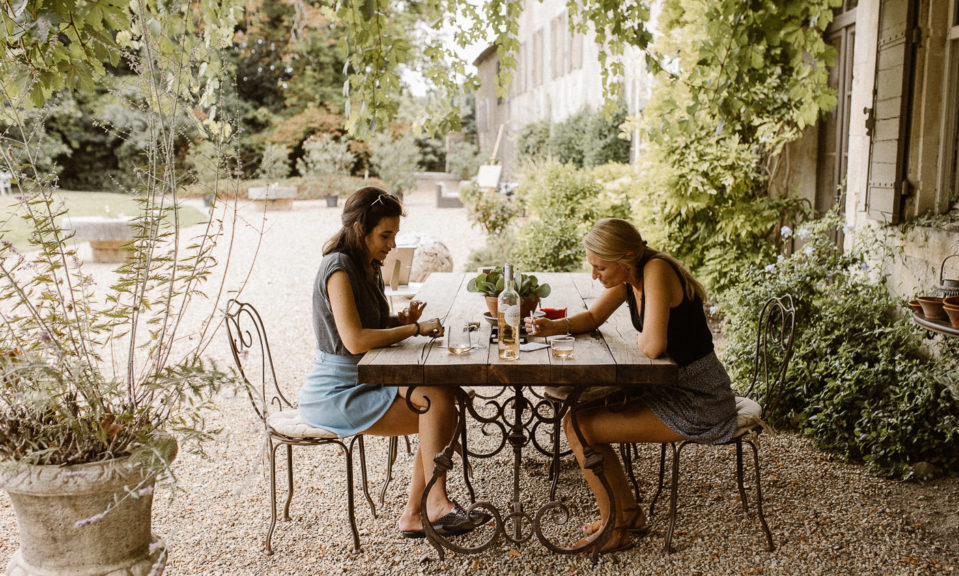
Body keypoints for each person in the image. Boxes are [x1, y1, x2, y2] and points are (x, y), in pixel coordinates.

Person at [526, 218, 737, 553]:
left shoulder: (656, 271)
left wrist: (639, 337)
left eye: (600, 267)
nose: (594, 275)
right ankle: (626, 515)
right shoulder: (632, 275)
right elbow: (594, 318)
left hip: (700, 400)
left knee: (580, 426)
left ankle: (615, 527)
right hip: (669, 388)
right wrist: (552, 327)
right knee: (578, 418)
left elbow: (652, 347)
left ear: (625, 258)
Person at [298, 187, 477, 538]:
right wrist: (413, 328)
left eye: (394, 234)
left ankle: (419, 511)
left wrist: (398, 320)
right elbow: (354, 340)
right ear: (359, 228)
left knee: (443, 399)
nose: (392, 244)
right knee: (440, 410)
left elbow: (370, 327)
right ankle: (431, 506)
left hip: (373, 376)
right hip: (338, 390)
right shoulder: (337, 269)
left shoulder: (368, 265)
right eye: (386, 234)